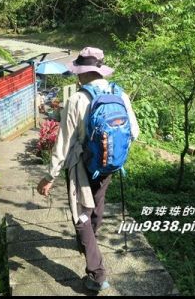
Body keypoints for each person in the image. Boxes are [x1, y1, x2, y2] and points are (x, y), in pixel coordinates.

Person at [36, 47, 139, 292]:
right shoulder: (119, 93)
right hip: (109, 165)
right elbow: (134, 132)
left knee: (80, 214)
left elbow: (64, 144)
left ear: (81, 73)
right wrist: (111, 152)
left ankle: (97, 275)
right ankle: (86, 242)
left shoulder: (77, 99)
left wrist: (49, 176)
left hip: (82, 168)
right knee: (97, 204)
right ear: (100, 70)